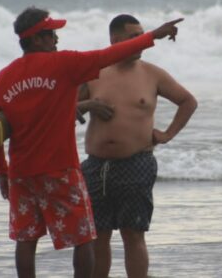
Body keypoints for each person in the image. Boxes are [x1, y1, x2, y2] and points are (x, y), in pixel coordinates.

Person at [0, 6, 184, 278]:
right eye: (51, 34)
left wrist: (2, 172)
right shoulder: (64, 64)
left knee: (26, 240)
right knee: (84, 238)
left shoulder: (4, 77)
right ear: (37, 39)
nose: (56, 40)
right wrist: (153, 35)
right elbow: (109, 55)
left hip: (21, 173)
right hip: (60, 170)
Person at [78, 14, 198, 278]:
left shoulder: (152, 74)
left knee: (133, 235)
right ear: (115, 40)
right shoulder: (95, 73)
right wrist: (86, 105)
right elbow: (63, 108)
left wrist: (168, 134)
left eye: (142, 36)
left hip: (136, 163)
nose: (141, 43)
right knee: (97, 236)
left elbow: (188, 101)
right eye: (134, 37)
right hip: (96, 166)